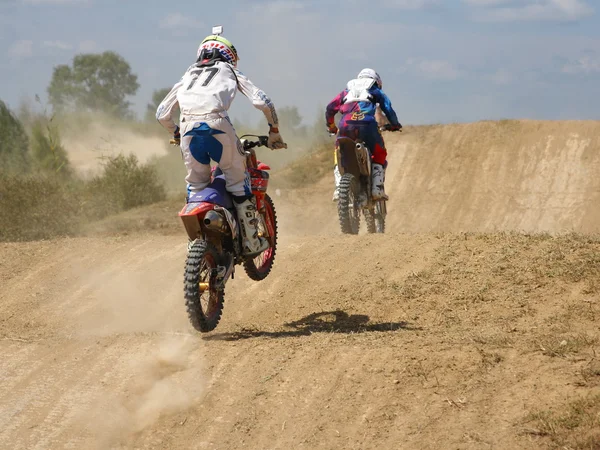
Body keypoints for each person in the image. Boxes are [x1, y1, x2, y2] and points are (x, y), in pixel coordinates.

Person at [156, 30, 286, 256]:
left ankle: (196, 243)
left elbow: (161, 113)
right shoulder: (230, 70)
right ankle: (251, 242)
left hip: (187, 128)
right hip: (218, 126)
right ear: (230, 55)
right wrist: (274, 130)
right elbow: (262, 100)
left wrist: (177, 133)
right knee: (237, 181)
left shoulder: (188, 74)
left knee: (196, 185)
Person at [325, 68, 402, 201]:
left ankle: (338, 188)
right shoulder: (374, 89)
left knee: (339, 153)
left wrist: (331, 127)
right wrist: (394, 124)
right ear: (377, 81)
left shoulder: (346, 91)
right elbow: (387, 108)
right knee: (379, 152)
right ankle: (377, 188)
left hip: (345, 125)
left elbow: (330, 108)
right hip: (367, 124)